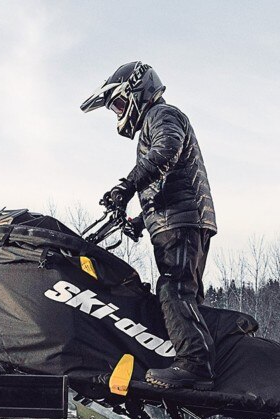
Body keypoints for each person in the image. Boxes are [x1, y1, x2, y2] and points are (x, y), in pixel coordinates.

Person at [81, 61, 218, 391]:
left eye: (118, 104)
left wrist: (126, 186)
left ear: (136, 92)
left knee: (174, 288)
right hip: (181, 219)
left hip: (181, 221)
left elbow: (166, 152)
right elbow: (167, 182)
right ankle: (195, 359)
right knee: (185, 292)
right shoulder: (158, 120)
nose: (118, 113)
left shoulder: (162, 115)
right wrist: (140, 221)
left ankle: (194, 365)